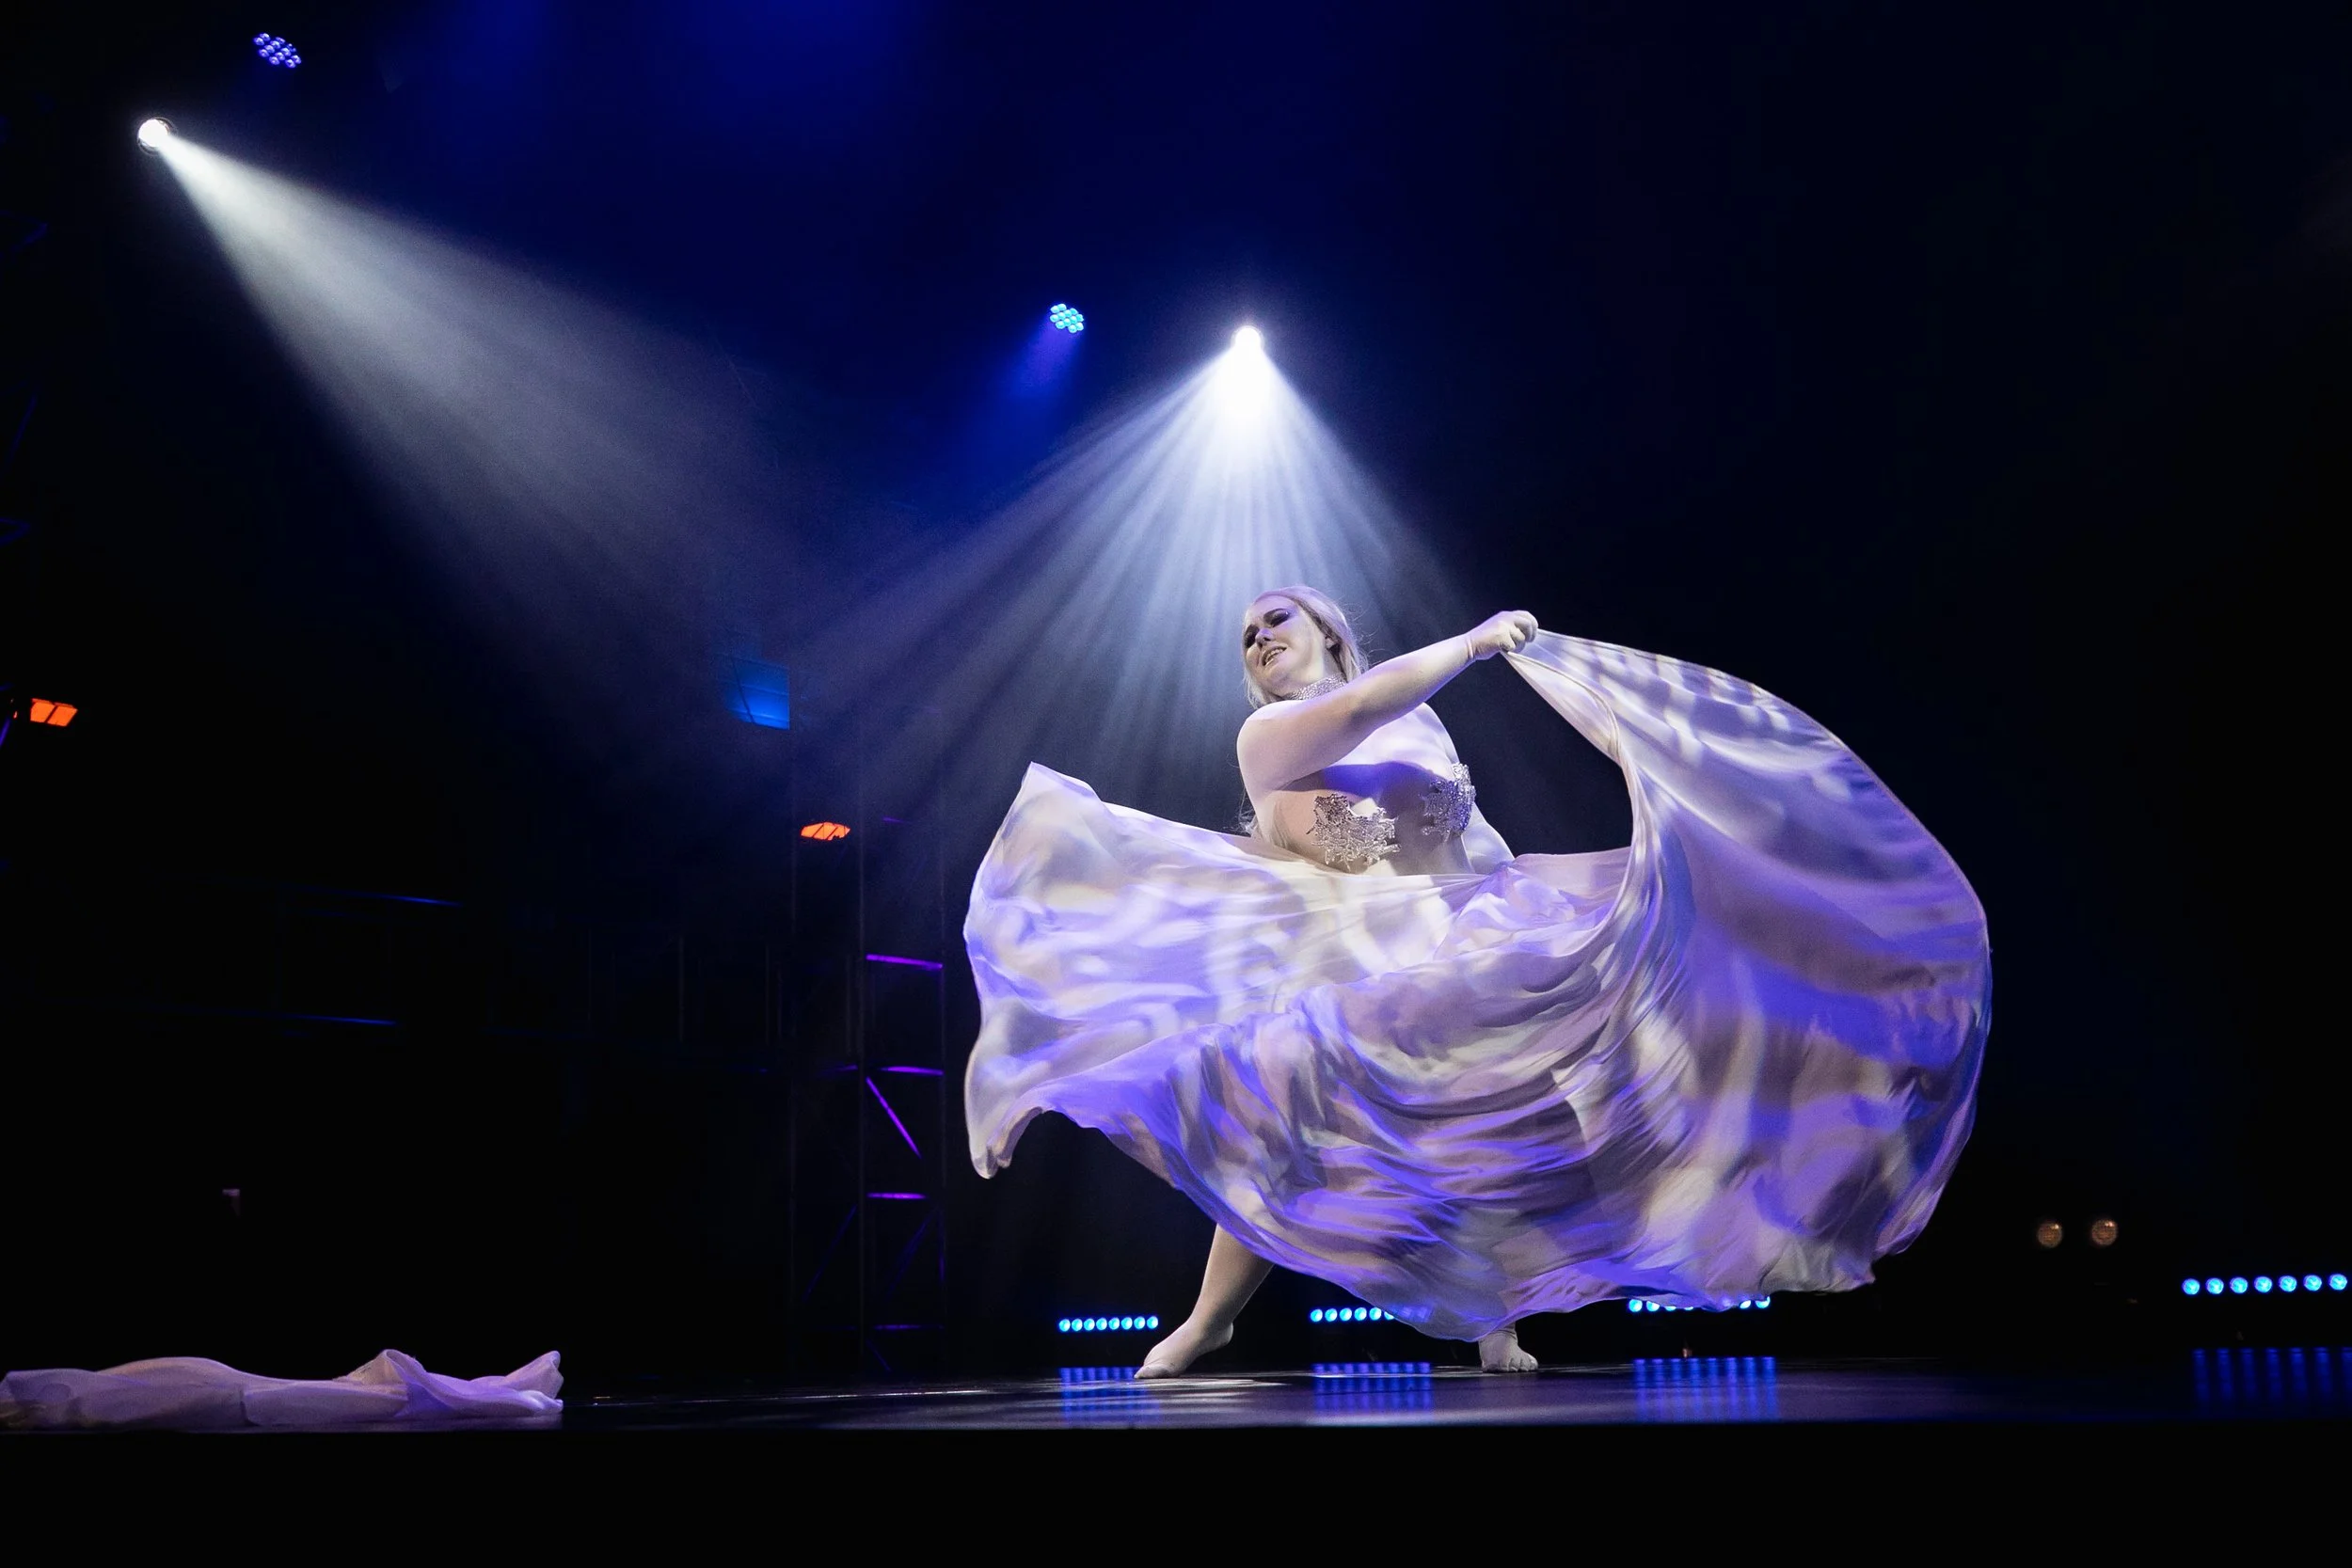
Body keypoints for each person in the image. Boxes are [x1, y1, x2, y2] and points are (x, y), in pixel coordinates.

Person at [963, 586, 1989, 1377]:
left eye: (1275, 618)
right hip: (1349, 947)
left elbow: (1470, 829)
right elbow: (1370, 703)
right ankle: (1212, 1316)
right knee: (1283, 1090)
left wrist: (1516, 903)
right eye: (1244, 635)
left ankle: (1502, 1309)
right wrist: (1473, 638)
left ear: (1325, 627)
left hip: (1464, 920)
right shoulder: (1270, 732)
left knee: (1511, 1089)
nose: (1258, 637)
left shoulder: (1421, 730)